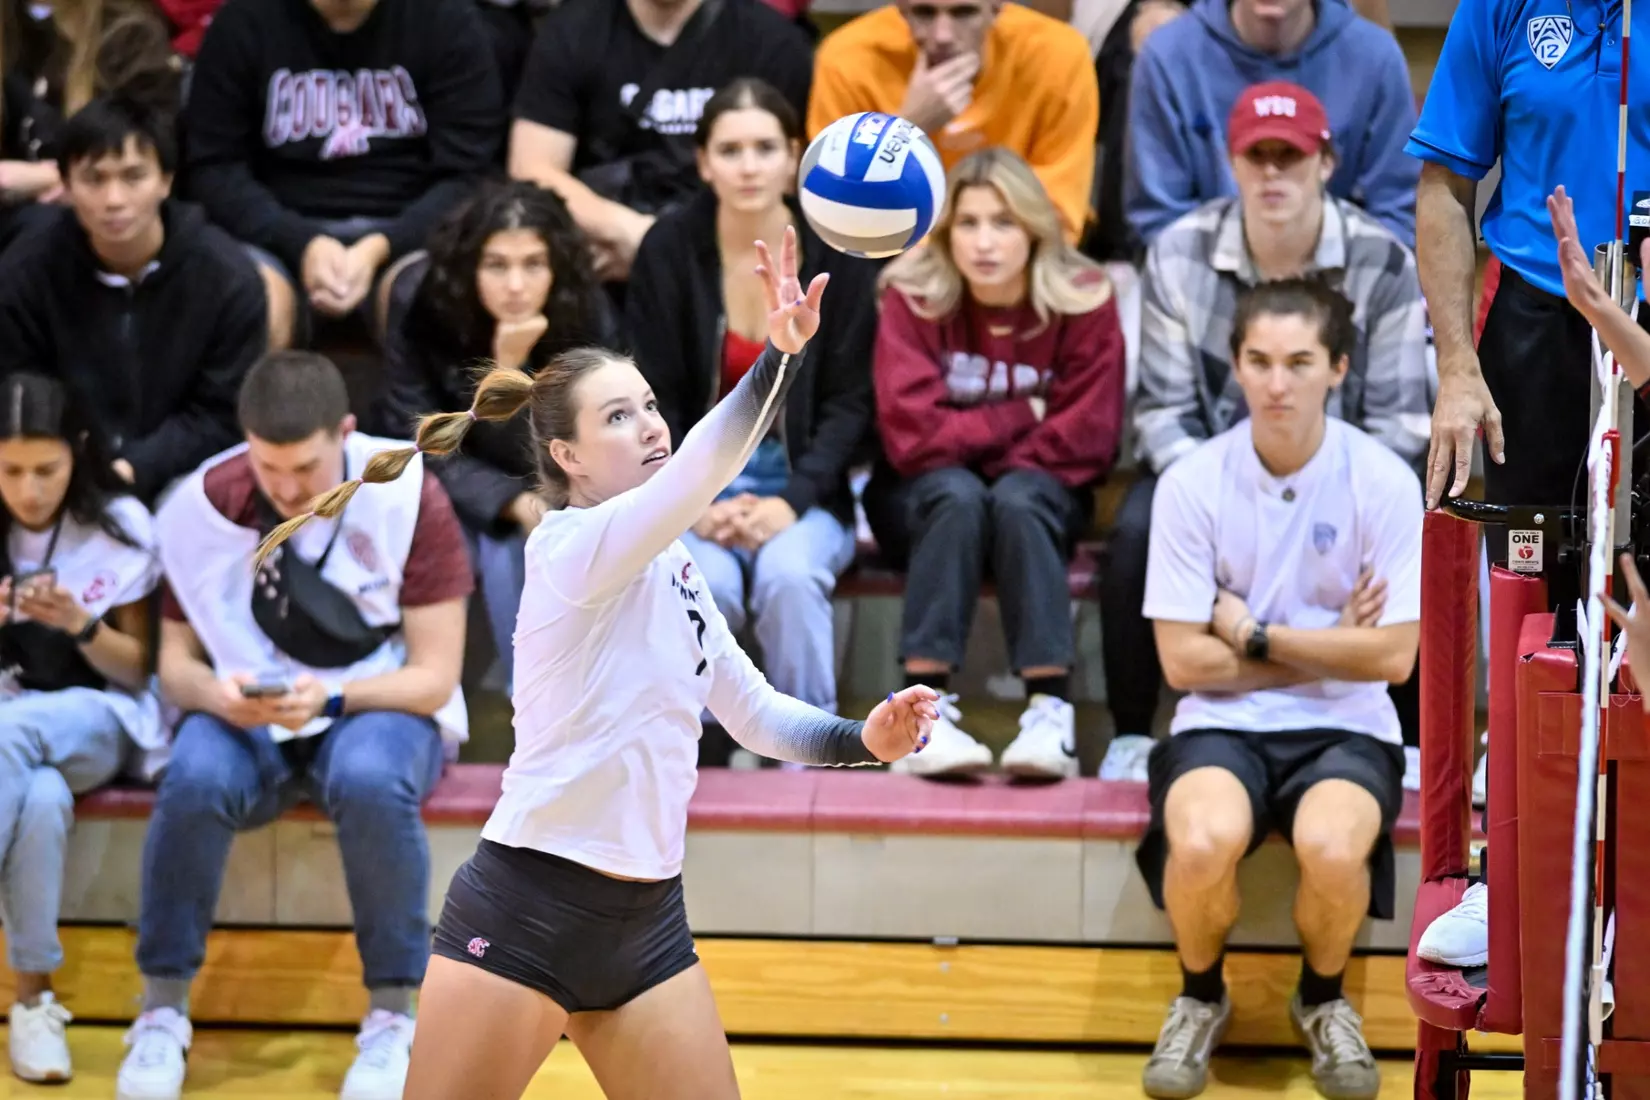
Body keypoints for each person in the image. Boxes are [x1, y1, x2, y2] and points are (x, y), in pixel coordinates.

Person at [246, 226, 937, 1100]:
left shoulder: (675, 563)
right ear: (566, 457)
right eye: (618, 417)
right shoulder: (571, 547)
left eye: (649, 405)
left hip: (646, 921)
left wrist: (862, 739)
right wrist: (778, 357)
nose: (649, 425)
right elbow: (698, 473)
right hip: (528, 908)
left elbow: (755, 713)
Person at [117, 351, 472, 1100]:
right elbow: (174, 667)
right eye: (267, 466)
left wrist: (333, 701)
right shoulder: (199, 506)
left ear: (344, 433)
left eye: (306, 469)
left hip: (376, 703)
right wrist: (218, 696)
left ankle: (392, 1018)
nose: (285, 488)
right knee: (195, 774)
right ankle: (160, 1014)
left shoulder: (407, 490)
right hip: (246, 711)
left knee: (370, 778)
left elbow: (434, 674)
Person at [1137, 278, 1420, 1100]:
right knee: (1199, 840)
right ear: (1235, 367)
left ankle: (1323, 1002)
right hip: (1220, 720)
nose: (1276, 383)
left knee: (1332, 848)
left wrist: (1254, 634)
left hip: (1348, 726)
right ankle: (1199, 998)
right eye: (1258, 361)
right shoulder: (1192, 481)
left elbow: (1395, 661)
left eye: (1299, 362)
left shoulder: (1382, 481)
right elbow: (1184, 665)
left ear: (1337, 367)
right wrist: (1336, 643)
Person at [1101, 79, 1428, 780]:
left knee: (1418, 527)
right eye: (1258, 156)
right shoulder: (1177, 253)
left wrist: (1339, 500)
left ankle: (1408, 738)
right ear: (1232, 161)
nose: (1274, 172)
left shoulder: (1385, 260)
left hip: (1350, 475)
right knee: (1135, 526)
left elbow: (1401, 421)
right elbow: (1162, 411)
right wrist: (1226, 504)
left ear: (1327, 162)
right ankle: (1131, 731)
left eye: (1292, 154)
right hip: (1214, 476)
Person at [864, 146, 1125, 780]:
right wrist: (1021, 413)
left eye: (1002, 223)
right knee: (958, 494)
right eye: (968, 224)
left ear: (1034, 228)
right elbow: (912, 439)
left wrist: (987, 449)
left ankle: (1049, 713)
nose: (984, 242)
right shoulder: (912, 295)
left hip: (1037, 498)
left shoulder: (1083, 298)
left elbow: (1088, 438)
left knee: (1015, 497)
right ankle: (922, 716)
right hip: (920, 499)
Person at [626, 78, 876, 739]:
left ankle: (810, 752)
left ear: (794, 155)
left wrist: (791, 500)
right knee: (705, 583)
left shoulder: (840, 254)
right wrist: (690, 502)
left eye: (765, 147)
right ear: (703, 161)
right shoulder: (668, 249)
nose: (748, 165)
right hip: (691, 486)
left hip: (809, 493)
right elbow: (648, 397)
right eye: (729, 149)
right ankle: (696, 757)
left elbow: (852, 405)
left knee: (791, 578)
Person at [376, 178, 622, 683]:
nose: (516, 286)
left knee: (548, 545)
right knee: (473, 547)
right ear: (470, 267)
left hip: (557, 487)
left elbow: (592, 440)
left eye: (533, 265)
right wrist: (504, 372)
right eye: (497, 265)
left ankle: (560, 705)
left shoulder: (585, 312)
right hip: (447, 480)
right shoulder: (421, 302)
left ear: (556, 268)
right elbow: (418, 439)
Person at [0, 372, 162, 1085]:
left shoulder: (120, 523)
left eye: (47, 469)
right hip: (12, 733)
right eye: (10, 471)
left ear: (79, 452)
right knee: (35, 799)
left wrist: (77, 623)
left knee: (15, 737)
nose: (29, 490)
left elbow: (137, 669)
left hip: (103, 718)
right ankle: (33, 1003)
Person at [182, 0, 505, 349]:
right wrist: (299, 241)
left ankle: (413, 404)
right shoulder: (244, 21)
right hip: (274, 232)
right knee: (249, 304)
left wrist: (384, 244)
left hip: (412, 232)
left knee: (424, 299)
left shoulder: (445, 18)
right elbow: (213, 168)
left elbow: (470, 173)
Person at [0, 94, 268, 506]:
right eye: (94, 179)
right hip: (62, 480)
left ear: (166, 179)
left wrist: (135, 467)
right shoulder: (25, 274)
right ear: (65, 185)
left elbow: (222, 413)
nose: (114, 200)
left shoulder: (227, 279)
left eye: (132, 176)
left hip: (189, 479)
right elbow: (19, 388)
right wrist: (81, 463)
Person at [508, 0, 814, 284]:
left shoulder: (772, 41)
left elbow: (783, 178)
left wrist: (668, 250)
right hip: (608, 249)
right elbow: (533, 167)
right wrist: (631, 232)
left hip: (733, 253)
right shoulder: (570, 31)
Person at [1126, 0, 1418, 248]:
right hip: (1204, 289)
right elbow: (1161, 219)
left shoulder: (1376, 59)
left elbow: (1398, 213)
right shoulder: (1166, 57)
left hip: (1342, 290)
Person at [806, 0, 1098, 242]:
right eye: (924, 13)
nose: (943, 35)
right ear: (901, 9)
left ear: (997, 8)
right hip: (894, 258)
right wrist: (904, 130)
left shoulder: (1057, 55)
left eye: (964, 12)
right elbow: (835, 214)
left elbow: (1059, 215)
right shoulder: (847, 60)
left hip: (1019, 257)